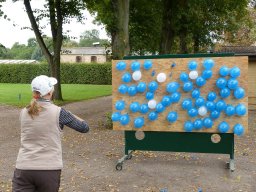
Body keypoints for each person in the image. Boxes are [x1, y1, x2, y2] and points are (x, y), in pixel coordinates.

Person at [12, 75, 89, 192]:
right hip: (48, 170)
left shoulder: (24, 112)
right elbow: (84, 127)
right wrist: (69, 114)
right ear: (49, 92)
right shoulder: (59, 112)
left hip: (23, 169)